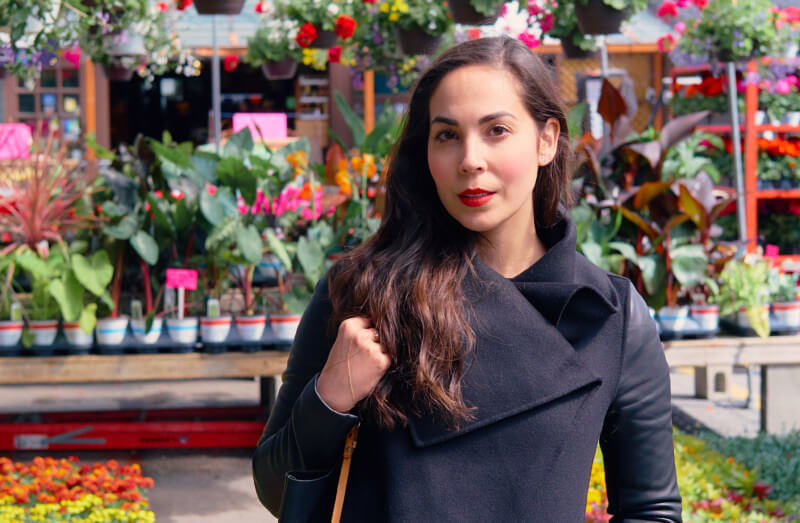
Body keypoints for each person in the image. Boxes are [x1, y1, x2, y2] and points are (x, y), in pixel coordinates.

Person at [252, 36, 682, 521]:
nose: (470, 160)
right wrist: (329, 399)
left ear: (546, 140)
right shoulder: (362, 293)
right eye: (447, 135)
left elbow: (652, 510)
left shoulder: (611, 315)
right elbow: (274, 489)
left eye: (496, 130)